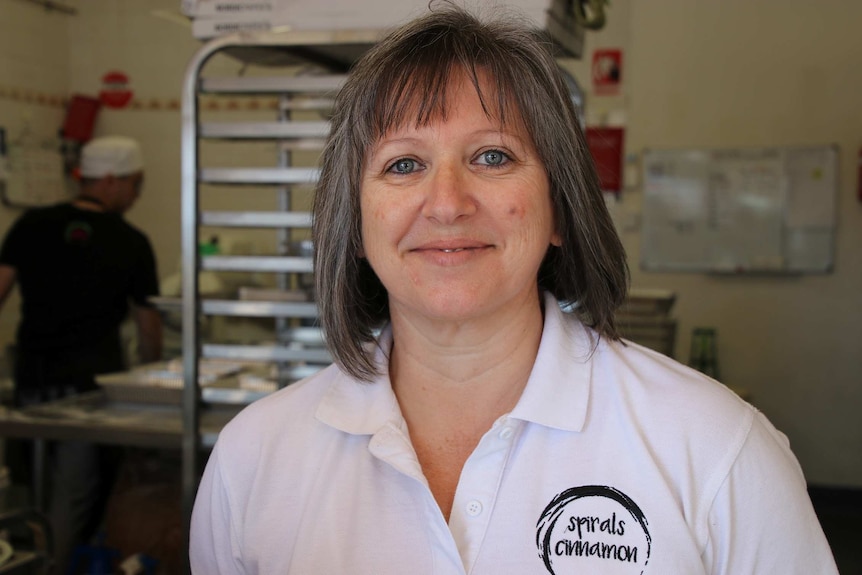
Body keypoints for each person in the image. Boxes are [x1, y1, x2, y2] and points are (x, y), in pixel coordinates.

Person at [190, 5, 839, 574]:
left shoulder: (716, 449)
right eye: (404, 163)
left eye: (492, 156)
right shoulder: (254, 459)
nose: (446, 203)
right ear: (354, 223)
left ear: (558, 205)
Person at [0, 135, 162, 571]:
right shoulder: (130, 240)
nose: (135, 195)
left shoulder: (30, 225)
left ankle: (32, 561)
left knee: (29, 494)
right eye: (134, 184)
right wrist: (151, 382)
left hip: (31, 382)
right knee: (73, 499)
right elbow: (149, 327)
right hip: (93, 392)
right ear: (109, 180)